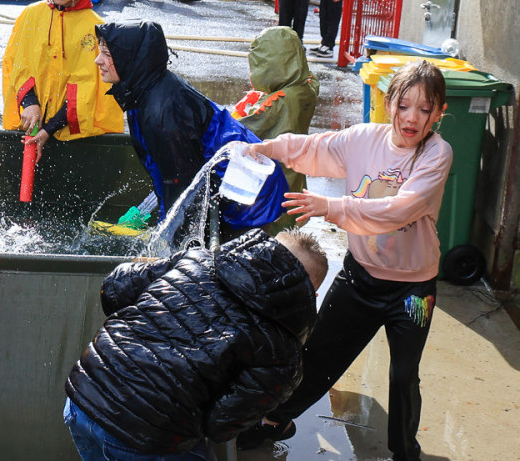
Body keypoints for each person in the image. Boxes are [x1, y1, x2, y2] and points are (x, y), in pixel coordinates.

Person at [238, 60, 451, 461]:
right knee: (316, 356)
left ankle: (406, 453)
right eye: (404, 106)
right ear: (389, 104)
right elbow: (310, 148)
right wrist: (261, 148)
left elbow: (398, 210)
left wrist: (330, 206)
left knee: (404, 374)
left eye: (426, 109)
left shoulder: (437, 155)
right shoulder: (363, 140)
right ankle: (275, 419)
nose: (413, 118)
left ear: (439, 113)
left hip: (413, 291)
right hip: (360, 279)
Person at [65, 228, 327, 460]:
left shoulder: (197, 259)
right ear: (311, 295)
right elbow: (221, 426)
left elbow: (113, 290)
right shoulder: (283, 353)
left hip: (84, 395)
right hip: (149, 436)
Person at [96, 21, 288, 238]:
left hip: (249, 191)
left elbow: (182, 187)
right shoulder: (143, 90)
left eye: (106, 54)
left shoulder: (161, 111)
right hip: (237, 177)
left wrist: (166, 239)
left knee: (233, 263)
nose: (98, 60)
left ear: (129, 58)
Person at [2, 0, 124, 161]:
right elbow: (17, 65)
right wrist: (29, 103)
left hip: (76, 135)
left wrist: (49, 129)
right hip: (31, 125)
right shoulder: (30, 16)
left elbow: (87, 87)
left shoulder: (94, 27)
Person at [233, 26, 320, 201]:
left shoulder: (280, 101)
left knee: (275, 215)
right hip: (294, 168)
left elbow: (246, 128)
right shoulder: (306, 85)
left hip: (274, 174)